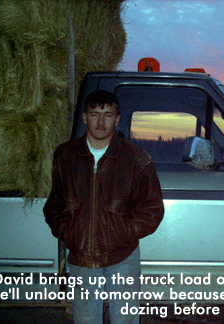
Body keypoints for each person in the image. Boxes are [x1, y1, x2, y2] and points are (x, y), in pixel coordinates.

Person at [44, 90, 164, 324]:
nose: (100, 121)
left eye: (108, 115)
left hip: (123, 256)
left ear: (117, 119)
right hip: (82, 258)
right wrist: (70, 233)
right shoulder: (65, 156)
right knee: (86, 319)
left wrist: (122, 234)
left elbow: (152, 210)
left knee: (126, 319)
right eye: (94, 114)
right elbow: (54, 204)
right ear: (84, 117)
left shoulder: (136, 158)